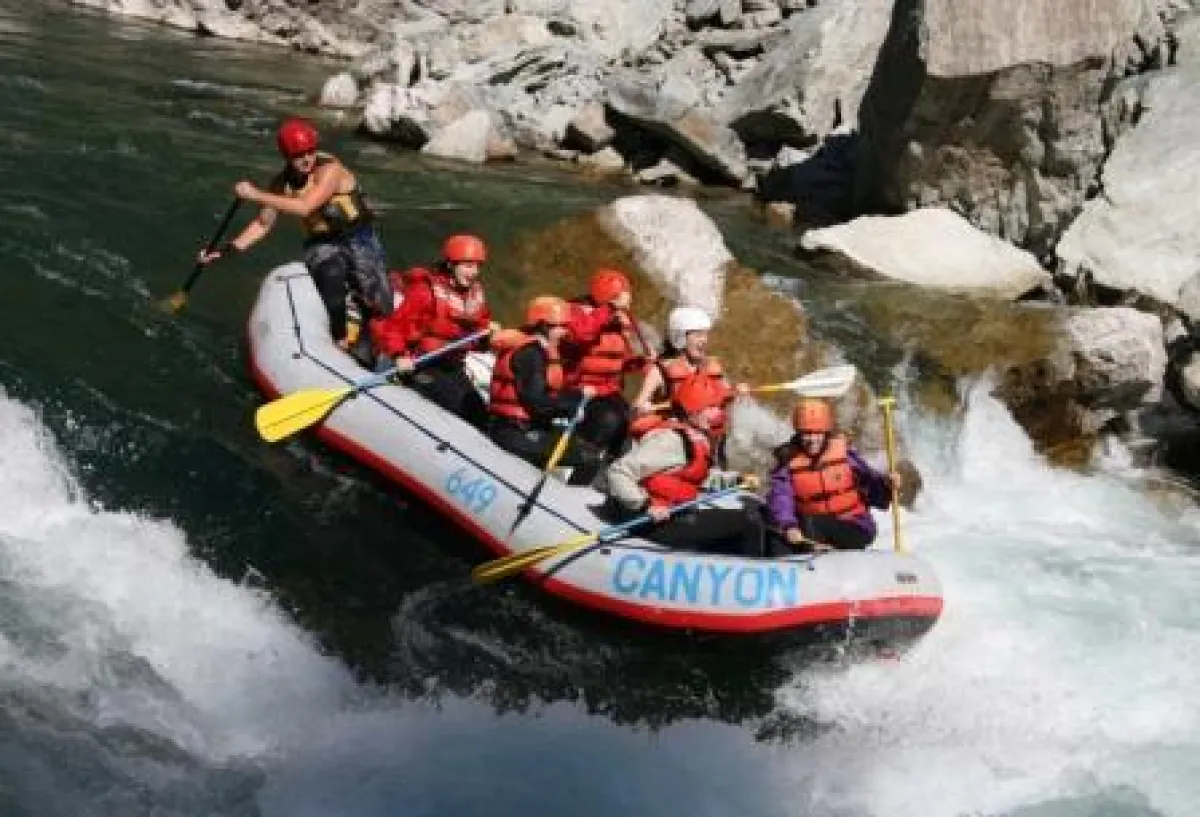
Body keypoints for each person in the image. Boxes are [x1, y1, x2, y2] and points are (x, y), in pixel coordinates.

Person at [197, 117, 392, 363]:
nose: (307, 159)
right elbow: (262, 224)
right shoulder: (281, 184)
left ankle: (375, 345)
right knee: (330, 273)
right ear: (287, 157)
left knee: (380, 305)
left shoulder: (330, 170)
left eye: (310, 152)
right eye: (299, 155)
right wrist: (226, 250)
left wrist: (255, 194)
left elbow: (304, 207)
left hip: (360, 237)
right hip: (323, 243)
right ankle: (340, 340)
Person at [602, 376, 764, 556]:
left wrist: (736, 479)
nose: (718, 413)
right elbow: (618, 472)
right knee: (749, 522)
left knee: (751, 514)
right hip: (651, 521)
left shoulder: (694, 437)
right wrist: (645, 505)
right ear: (691, 412)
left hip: (675, 514)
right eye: (711, 407)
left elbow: (695, 476)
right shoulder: (670, 441)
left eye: (718, 407)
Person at [371, 234, 495, 427]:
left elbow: (478, 337)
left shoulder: (474, 295)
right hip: (420, 365)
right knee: (456, 407)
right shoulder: (425, 291)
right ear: (451, 265)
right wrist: (399, 356)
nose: (474, 272)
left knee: (477, 412)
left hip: (451, 365)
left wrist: (488, 335)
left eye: (477, 266)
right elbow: (394, 328)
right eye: (468, 266)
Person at [488, 296, 606, 486]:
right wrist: (574, 401)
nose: (565, 332)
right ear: (544, 326)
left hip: (529, 426)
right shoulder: (531, 354)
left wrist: (574, 398)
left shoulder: (542, 350)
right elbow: (537, 402)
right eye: (561, 326)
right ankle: (562, 505)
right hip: (513, 430)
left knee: (591, 453)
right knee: (588, 460)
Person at [764, 398, 900, 552]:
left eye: (817, 433)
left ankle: (822, 552)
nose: (812, 439)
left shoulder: (846, 456)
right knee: (773, 532)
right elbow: (781, 497)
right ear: (798, 434)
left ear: (826, 434)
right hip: (812, 528)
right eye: (807, 433)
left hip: (854, 526)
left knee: (812, 525)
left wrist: (887, 484)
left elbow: (873, 486)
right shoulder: (788, 461)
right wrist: (788, 525)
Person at [631, 305, 748, 464]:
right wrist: (643, 408)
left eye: (705, 334)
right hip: (677, 442)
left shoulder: (711, 367)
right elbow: (637, 408)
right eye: (697, 335)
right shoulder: (660, 371)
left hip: (711, 439)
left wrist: (735, 392)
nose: (704, 340)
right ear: (680, 337)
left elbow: (720, 398)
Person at [562, 268, 648, 460]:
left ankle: (611, 466)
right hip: (578, 388)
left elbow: (615, 359)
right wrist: (609, 310)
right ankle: (580, 459)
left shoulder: (618, 321)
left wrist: (638, 363)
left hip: (606, 390)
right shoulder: (575, 310)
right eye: (622, 295)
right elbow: (581, 334)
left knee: (629, 421)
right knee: (608, 419)